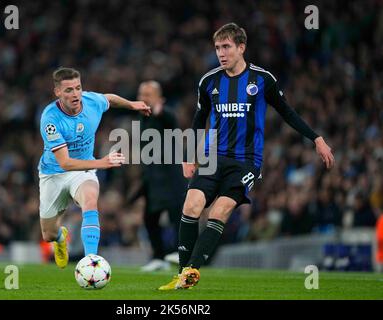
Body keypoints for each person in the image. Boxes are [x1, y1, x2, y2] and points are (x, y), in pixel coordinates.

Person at [159, 23, 335, 290]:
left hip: (246, 160)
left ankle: (190, 271)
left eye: (226, 46)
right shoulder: (209, 82)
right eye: (217, 47)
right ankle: (184, 273)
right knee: (191, 205)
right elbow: (199, 119)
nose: (221, 52)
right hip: (212, 156)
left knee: (221, 210)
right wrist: (189, 155)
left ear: (241, 48)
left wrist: (316, 138)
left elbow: (287, 112)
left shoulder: (263, 80)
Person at [38, 67, 151, 269]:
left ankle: (91, 261)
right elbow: (65, 163)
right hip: (54, 174)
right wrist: (102, 162)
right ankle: (61, 238)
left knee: (90, 201)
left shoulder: (91, 102)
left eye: (78, 88)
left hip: (83, 171)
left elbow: (110, 99)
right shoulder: (50, 119)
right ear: (57, 92)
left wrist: (131, 105)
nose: (75, 95)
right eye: (69, 90)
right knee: (48, 234)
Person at [131, 81, 187, 272]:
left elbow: (168, 117)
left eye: (148, 94)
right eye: (141, 94)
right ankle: (158, 257)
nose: (143, 98)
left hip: (171, 177)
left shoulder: (164, 114)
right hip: (153, 179)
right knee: (150, 219)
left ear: (159, 98)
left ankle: (183, 253)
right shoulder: (142, 120)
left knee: (177, 216)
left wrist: (158, 110)